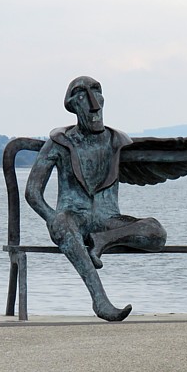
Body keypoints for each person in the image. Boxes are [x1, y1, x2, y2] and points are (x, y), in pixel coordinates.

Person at [25, 76, 167, 321]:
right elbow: (32, 192)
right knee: (62, 224)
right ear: (73, 105)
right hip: (73, 217)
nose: (93, 105)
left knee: (156, 232)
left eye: (96, 95)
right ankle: (100, 300)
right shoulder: (59, 143)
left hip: (108, 220)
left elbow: (168, 153)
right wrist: (52, 217)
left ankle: (102, 241)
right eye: (83, 96)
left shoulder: (117, 143)